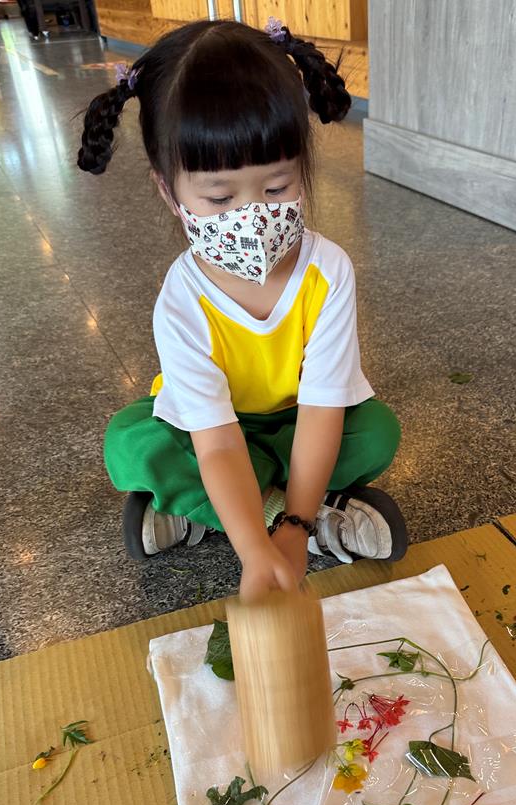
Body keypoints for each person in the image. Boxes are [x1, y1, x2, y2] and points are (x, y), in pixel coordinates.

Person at [77, 18, 406, 600]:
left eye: (277, 189)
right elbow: (217, 441)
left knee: (376, 431)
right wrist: (263, 547)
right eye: (220, 197)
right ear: (168, 190)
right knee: (133, 442)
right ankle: (302, 514)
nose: (252, 217)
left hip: (294, 423)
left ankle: (214, 513)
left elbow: (323, 411)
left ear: (303, 167)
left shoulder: (328, 272)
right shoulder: (182, 299)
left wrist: (291, 531)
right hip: (211, 434)